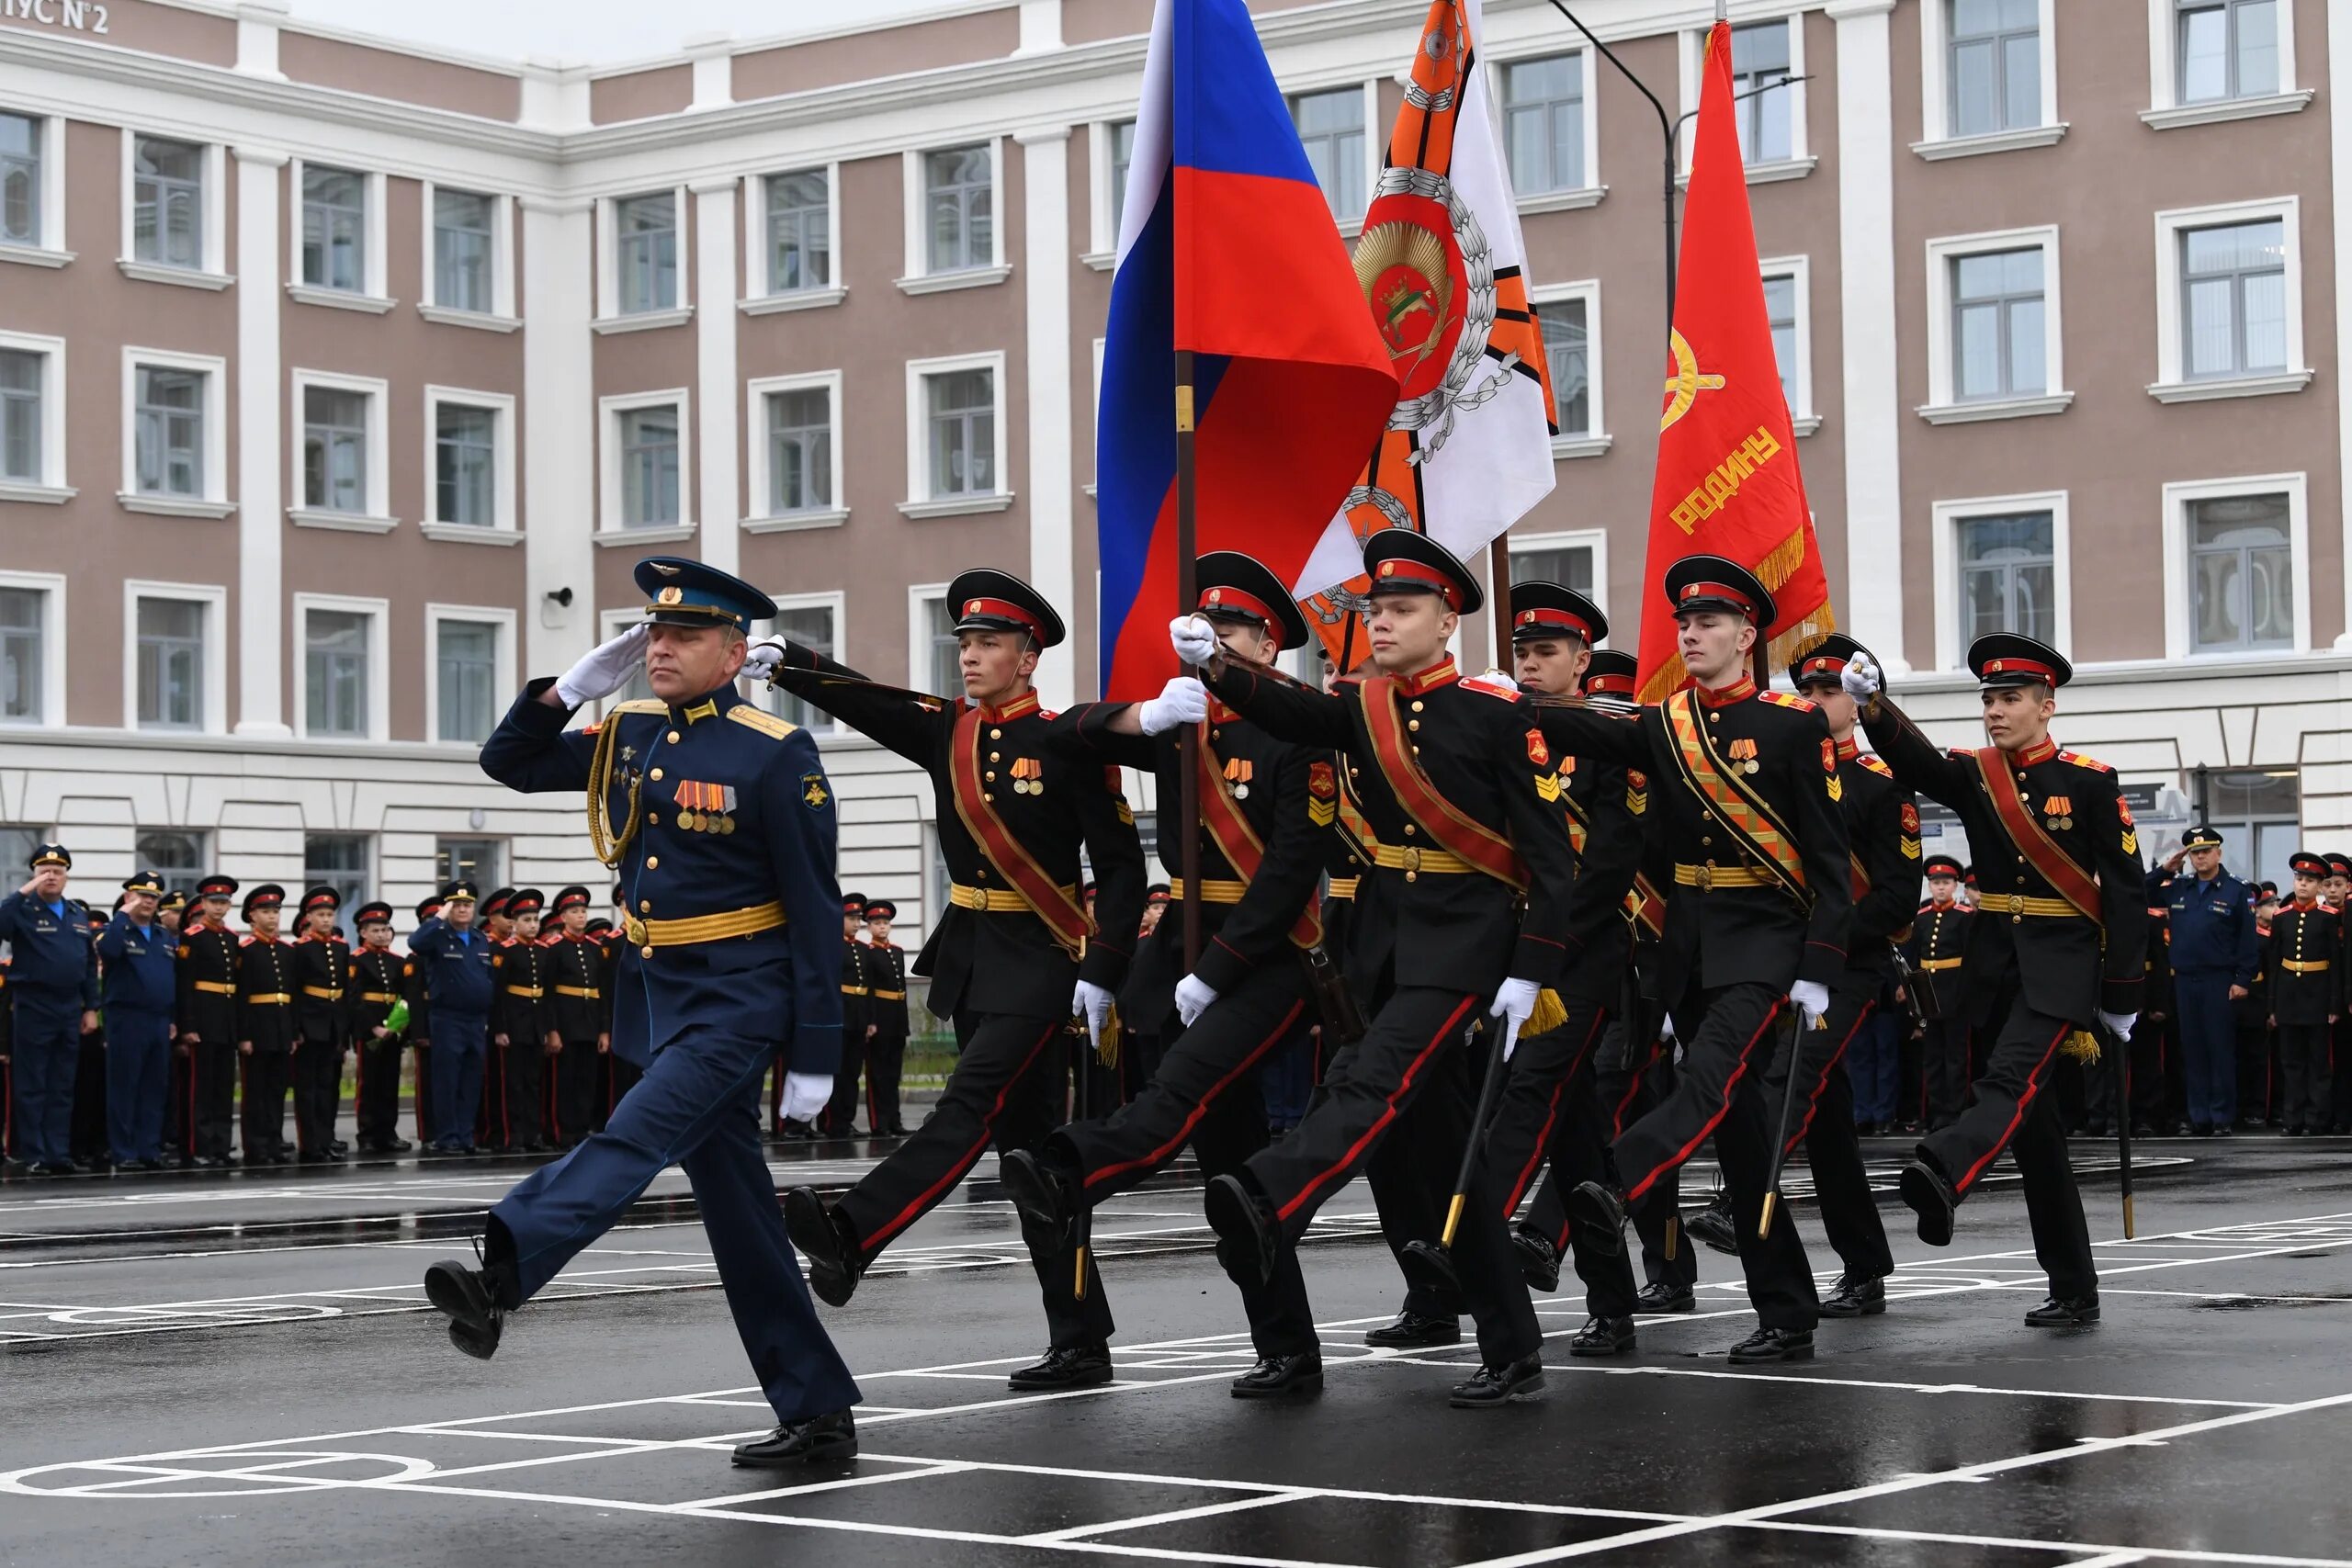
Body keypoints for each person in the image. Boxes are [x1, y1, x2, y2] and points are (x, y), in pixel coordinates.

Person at [425, 556, 860, 1470]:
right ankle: (815, 1404)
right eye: (652, 635)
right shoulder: (628, 733)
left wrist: (817, 1046)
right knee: (741, 1218)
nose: (659, 648)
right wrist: (571, 688)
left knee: (633, 1134)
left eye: (684, 636)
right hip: (662, 997)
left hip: (743, 999)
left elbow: (817, 908)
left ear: (733, 651)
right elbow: (508, 764)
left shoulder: (775, 752)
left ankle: (503, 1269)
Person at [1176, 531, 1571, 1404]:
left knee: (1368, 1079)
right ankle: (1513, 1345)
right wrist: (1219, 670)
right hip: (1385, 944)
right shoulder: (1366, 708)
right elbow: (1294, 714)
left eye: (1399, 609)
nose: (1380, 622)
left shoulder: (1499, 716)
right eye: (1376, 609)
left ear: (1446, 619)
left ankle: (1271, 1190)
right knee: (1447, 1163)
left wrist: (1532, 965)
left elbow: (1551, 858)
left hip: (1466, 947)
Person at [765, 567, 1146, 1393]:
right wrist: (788, 660)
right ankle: (1080, 1336)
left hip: (1045, 964)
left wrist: (1105, 967)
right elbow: (871, 700)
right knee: (1033, 1161)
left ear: (1029, 654)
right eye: (964, 641)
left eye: (988, 643)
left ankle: (852, 1232)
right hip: (974, 958)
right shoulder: (952, 733)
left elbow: (1121, 868)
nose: (969, 656)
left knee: (966, 1107)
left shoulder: (1068, 741)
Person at [996, 551, 1329, 1398]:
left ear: (1269, 646)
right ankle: (1287, 1346)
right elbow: (1064, 732)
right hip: (1180, 949)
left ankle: (1071, 1165)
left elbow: (1291, 869)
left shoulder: (1300, 731)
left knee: (1178, 1093)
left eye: (1229, 631)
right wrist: (1145, 715)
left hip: (1266, 955)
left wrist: (1219, 967)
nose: (1212, 640)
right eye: (1204, 628)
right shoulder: (1188, 722)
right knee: (1234, 1163)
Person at [1536, 558, 1849, 1364]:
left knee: (1708, 1075)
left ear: (1747, 637)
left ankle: (1616, 1178)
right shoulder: (1664, 723)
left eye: (1709, 623)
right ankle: (1787, 1311)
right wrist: (1515, 702)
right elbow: (1583, 728)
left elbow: (1828, 857)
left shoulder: (1791, 725)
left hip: (1766, 941)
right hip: (1690, 947)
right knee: (1742, 1137)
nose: (1691, 633)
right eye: (1685, 623)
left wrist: (1819, 959)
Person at [1842, 632, 2145, 1327]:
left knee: (2006, 1081)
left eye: (2011, 698)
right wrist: (1874, 706)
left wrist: (2123, 994)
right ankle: (2072, 1283)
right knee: (2037, 1135)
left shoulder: (2089, 780)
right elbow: (1915, 763)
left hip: (2061, 965)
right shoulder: (1979, 773)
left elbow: (2125, 892)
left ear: (2047, 705)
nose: (1996, 711)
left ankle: (1943, 1168)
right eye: (1989, 700)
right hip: (1996, 962)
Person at [1443, 580, 1647, 1359]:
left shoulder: (1611, 738)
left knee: (1527, 1089)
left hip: (1582, 957)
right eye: (1522, 651)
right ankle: (1613, 1301)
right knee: (1577, 1136)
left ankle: (1475, 1228)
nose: (1530, 665)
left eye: (1547, 652)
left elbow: (1607, 864)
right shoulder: (1501, 732)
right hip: (1515, 955)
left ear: (1581, 659)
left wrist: (1547, 943)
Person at [1682, 635, 1905, 1319]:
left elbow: (1895, 897)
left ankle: (1738, 1198)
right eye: (1804, 691)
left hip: (1847, 966)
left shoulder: (1878, 785)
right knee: (1827, 1118)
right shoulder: (1775, 774)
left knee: (1789, 1074)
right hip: (1782, 960)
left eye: (1828, 692)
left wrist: (1822, 940)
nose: (1812, 703)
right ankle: (1865, 1262)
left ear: (1860, 702)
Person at [2152, 829, 2260, 1136]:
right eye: (2195, 853)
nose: (2200, 857)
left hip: (2219, 979)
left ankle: (2222, 1115)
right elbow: (2141, 893)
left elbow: (2247, 941)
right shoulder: (2179, 886)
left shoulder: (2235, 890)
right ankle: (2198, 1115)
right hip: (2185, 980)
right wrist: (2164, 869)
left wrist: (2242, 979)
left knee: (2220, 1048)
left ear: (2218, 854)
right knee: (2192, 1049)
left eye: (2206, 851)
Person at [0, 847, 96, 1177]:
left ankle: (58, 1152)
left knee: (62, 1083)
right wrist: (23, 890)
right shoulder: (22, 909)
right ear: (34, 874)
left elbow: (87, 964)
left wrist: (92, 1007)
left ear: (66, 875)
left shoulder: (74, 913)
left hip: (69, 1006)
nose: (51, 875)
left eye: (57, 870)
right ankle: (35, 1153)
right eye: (44, 870)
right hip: (34, 1004)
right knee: (33, 1083)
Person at [96, 874, 176, 1171]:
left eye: (153, 898)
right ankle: (124, 1150)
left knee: (154, 1088)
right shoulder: (115, 930)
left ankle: (148, 1148)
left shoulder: (162, 936)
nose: (148, 901)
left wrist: (172, 1017)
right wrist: (121, 916)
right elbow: (108, 952)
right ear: (129, 897)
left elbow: (171, 980)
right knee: (124, 1087)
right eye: (141, 895)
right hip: (127, 1018)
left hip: (158, 1020)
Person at [410, 885, 495, 1156]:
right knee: (447, 1080)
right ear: (448, 908)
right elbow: (415, 943)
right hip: (448, 1019)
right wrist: (438, 917)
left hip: (475, 1020)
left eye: (467, 905)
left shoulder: (480, 939)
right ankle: (447, 1137)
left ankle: (466, 1136)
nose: (463, 909)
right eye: (457, 905)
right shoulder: (438, 936)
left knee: (471, 1080)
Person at [2268, 852, 2340, 1135]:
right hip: (2288, 998)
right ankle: (2293, 1119)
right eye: (2299, 879)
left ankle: (2317, 1119)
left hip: (2318, 996)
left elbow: (2336, 964)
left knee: (2318, 1063)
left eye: (2310, 881)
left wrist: (2334, 1003)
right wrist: (2272, 1006)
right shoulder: (2282, 917)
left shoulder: (2328, 918)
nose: (2303, 885)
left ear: (2320, 886)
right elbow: (2273, 964)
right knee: (2291, 1062)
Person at [175, 874, 241, 1168]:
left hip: (226, 1019)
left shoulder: (231, 938)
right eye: (213, 902)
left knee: (223, 1087)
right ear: (203, 904)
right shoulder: (192, 937)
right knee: (201, 1088)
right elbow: (185, 984)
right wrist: (188, 1025)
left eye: (223, 902)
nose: (218, 908)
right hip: (203, 1019)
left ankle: (221, 1145)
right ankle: (200, 1146)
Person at [1907, 855, 1973, 1133]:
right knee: (1932, 1057)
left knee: (1956, 1056)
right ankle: (1934, 1111)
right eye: (1936, 883)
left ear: (1956, 885)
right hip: (1928, 993)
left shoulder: (1964, 917)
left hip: (1954, 991)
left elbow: (1971, 959)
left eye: (1946, 883)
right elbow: (1914, 956)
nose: (1941, 888)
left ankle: (1955, 1110)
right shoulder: (1921, 918)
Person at [288, 886, 353, 1163]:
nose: (326, 920)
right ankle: (310, 1143)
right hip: (309, 1021)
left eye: (330, 914)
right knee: (307, 1088)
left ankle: (326, 1139)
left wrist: (344, 1032)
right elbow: (294, 990)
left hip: (332, 1024)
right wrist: (297, 1028)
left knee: (328, 1086)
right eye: (320, 914)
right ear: (308, 917)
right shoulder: (300, 949)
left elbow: (345, 991)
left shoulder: (341, 947)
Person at [234, 886, 297, 1166]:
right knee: (256, 1092)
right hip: (258, 1029)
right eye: (265, 912)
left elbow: (291, 994)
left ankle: (274, 1141)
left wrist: (294, 1032)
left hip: (282, 1028)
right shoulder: (246, 950)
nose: (272, 917)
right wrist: (244, 1034)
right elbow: (241, 995)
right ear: (252, 916)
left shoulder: (286, 951)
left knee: (276, 1090)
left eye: (275, 912)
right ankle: (256, 1146)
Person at [490, 889, 553, 1154]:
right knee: (513, 1083)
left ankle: (532, 1133)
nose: (533, 925)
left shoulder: (543, 950)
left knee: (533, 1082)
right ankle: (513, 1135)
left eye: (536, 920)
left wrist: (549, 1029)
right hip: (514, 1023)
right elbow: (497, 993)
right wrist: (500, 1028)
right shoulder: (505, 951)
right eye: (527, 920)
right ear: (514, 924)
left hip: (536, 1024)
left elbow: (547, 993)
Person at [544, 886, 607, 1148]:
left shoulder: (594, 948)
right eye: (574, 912)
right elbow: (547, 992)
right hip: (566, 1023)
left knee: (587, 1079)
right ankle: (564, 1131)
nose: (580, 916)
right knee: (565, 1080)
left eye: (583, 911)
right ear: (563, 917)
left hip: (590, 1022)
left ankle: (582, 1128)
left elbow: (601, 991)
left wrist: (604, 1030)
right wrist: (552, 1030)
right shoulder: (555, 948)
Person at [348, 902, 412, 1155]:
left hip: (393, 1029)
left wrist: (399, 1026)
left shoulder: (396, 961)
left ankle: (388, 1132)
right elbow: (354, 999)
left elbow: (404, 996)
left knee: (389, 1083)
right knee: (369, 1083)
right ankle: (367, 1133)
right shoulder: (357, 960)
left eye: (385, 929)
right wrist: (372, 1026)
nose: (382, 935)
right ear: (363, 933)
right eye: (375, 930)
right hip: (370, 1028)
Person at [816, 895, 870, 1137]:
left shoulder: (861, 948)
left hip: (857, 1017)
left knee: (852, 1072)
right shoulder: (831, 946)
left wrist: (869, 1019)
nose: (857, 923)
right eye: (851, 918)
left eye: (859, 919)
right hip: (839, 1015)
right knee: (835, 1073)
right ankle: (830, 1121)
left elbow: (868, 986)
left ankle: (846, 1119)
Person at [861, 899, 911, 1136]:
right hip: (880, 1016)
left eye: (885, 923)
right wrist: (871, 1020)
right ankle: (879, 1122)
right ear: (869, 927)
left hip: (897, 1018)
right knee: (879, 1073)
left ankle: (894, 1120)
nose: (882, 927)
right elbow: (869, 989)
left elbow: (901, 987)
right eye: (877, 923)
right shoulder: (868, 954)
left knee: (894, 1073)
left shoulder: (898, 952)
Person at [403, 892, 444, 1149]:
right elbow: (413, 997)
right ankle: (428, 1133)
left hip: (448, 1022)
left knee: (447, 1082)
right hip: (427, 1026)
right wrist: (419, 1031)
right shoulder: (415, 959)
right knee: (427, 1083)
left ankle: (446, 1130)